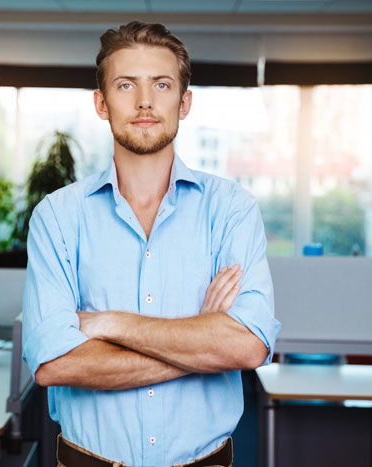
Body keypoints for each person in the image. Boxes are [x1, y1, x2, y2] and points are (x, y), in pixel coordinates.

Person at [22, 21, 281, 467]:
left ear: (184, 102)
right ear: (102, 103)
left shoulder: (232, 209)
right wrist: (202, 342)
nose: (145, 101)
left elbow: (248, 346)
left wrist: (109, 323)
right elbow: (55, 365)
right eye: (126, 85)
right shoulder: (57, 217)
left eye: (161, 84)